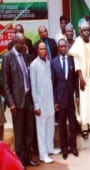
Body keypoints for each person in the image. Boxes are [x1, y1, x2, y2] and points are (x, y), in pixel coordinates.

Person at [2, 33, 39, 167]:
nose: (24, 45)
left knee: (29, 130)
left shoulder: (24, 55)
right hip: (16, 103)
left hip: (28, 99)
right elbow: (6, 83)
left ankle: (28, 157)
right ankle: (20, 161)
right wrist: (11, 103)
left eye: (24, 43)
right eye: (22, 43)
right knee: (19, 133)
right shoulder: (8, 57)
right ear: (15, 42)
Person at [68, 18, 90, 139]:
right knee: (83, 103)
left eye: (88, 30)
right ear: (80, 31)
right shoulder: (77, 43)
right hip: (82, 79)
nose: (87, 32)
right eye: (84, 30)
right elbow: (76, 62)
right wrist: (80, 78)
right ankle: (84, 129)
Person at [30, 42, 61, 163]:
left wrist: (54, 102)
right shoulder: (34, 65)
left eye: (44, 49)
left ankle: (49, 148)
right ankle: (43, 154)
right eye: (41, 49)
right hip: (40, 103)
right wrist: (36, 105)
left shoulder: (48, 63)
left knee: (50, 126)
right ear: (37, 50)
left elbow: (50, 84)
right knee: (41, 129)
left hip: (49, 101)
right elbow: (34, 86)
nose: (43, 51)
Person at [51, 39, 79, 160]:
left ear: (67, 47)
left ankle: (73, 147)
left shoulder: (71, 60)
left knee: (73, 124)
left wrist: (77, 95)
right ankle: (64, 148)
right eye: (61, 46)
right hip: (60, 98)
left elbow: (75, 80)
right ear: (58, 48)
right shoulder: (54, 62)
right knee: (62, 125)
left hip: (71, 98)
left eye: (65, 46)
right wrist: (55, 101)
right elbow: (53, 83)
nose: (63, 48)